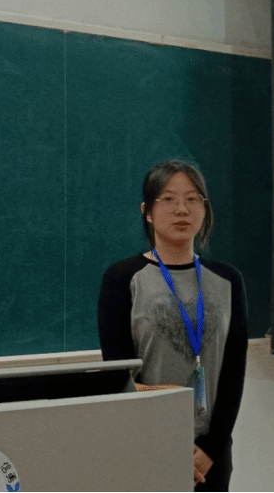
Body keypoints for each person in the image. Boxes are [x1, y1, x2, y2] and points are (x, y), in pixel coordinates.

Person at [98, 160, 248, 492]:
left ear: (204, 209)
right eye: (168, 199)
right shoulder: (122, 278)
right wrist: (167, 441)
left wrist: (210, 449)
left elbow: (233, 373)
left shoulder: (227, 280)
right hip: (144, 443)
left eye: (193, 199)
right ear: (148, 212)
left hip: (210, 455)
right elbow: (118, 377)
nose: (182, 209)